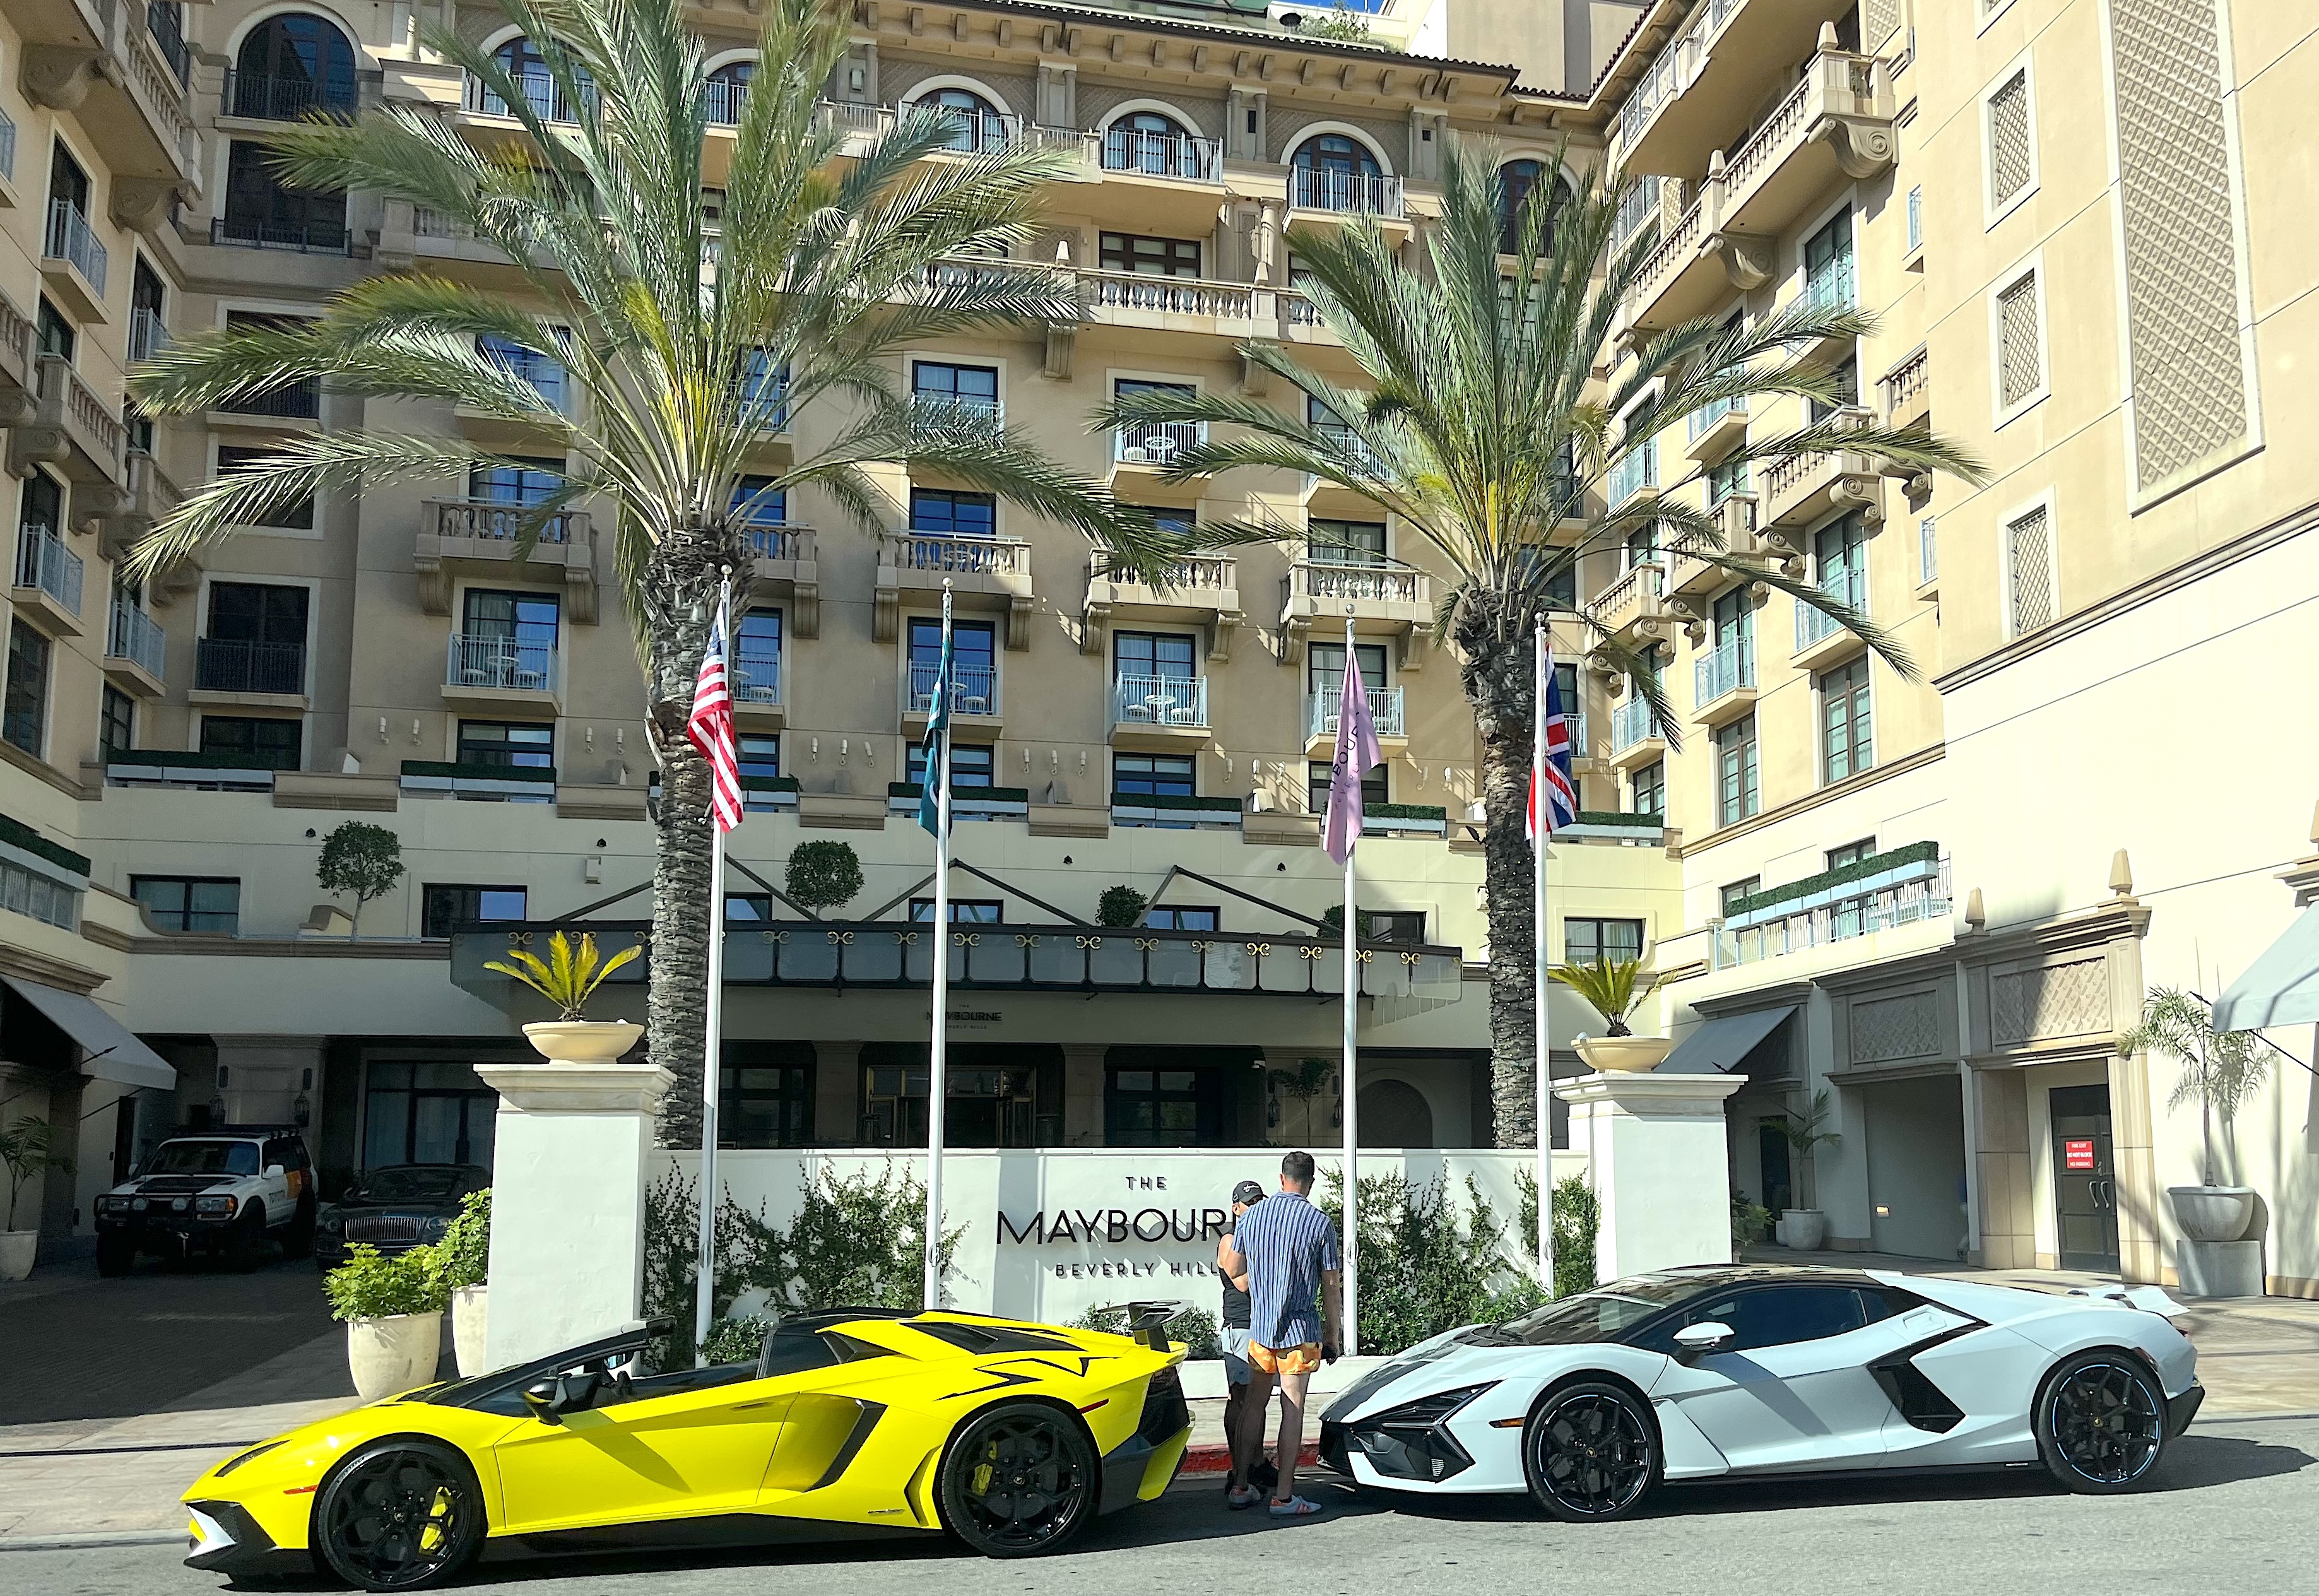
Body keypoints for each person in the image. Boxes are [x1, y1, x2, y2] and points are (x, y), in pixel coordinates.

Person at [1219, 1149, 1341, 1518]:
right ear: (1311, 1182)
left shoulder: (1253, 1217)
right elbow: (1331, 1284)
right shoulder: (1319, 1222)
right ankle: (1284, 1498)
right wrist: (1333, 1334)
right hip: (1300, 1330)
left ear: (1281, 1178)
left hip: (1260, 1328)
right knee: (1293, 1408)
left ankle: (1241, 1486)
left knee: (1254, 1405)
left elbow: (1234, 1268)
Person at [1217, 1180, 1277, 1496]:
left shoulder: (1260, 1238)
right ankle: (1238, 1467)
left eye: (1259, 1202)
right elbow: (1242, 1282)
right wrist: (1276, 1267)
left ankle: (1256, 1462)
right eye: (1249, 1202)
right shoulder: (1229, 1239)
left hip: (1262, 1324)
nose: (1255, 1208)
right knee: (1241, 1399)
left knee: (1258, 1400)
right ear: (1236, 1208)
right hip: (1240, 1326)